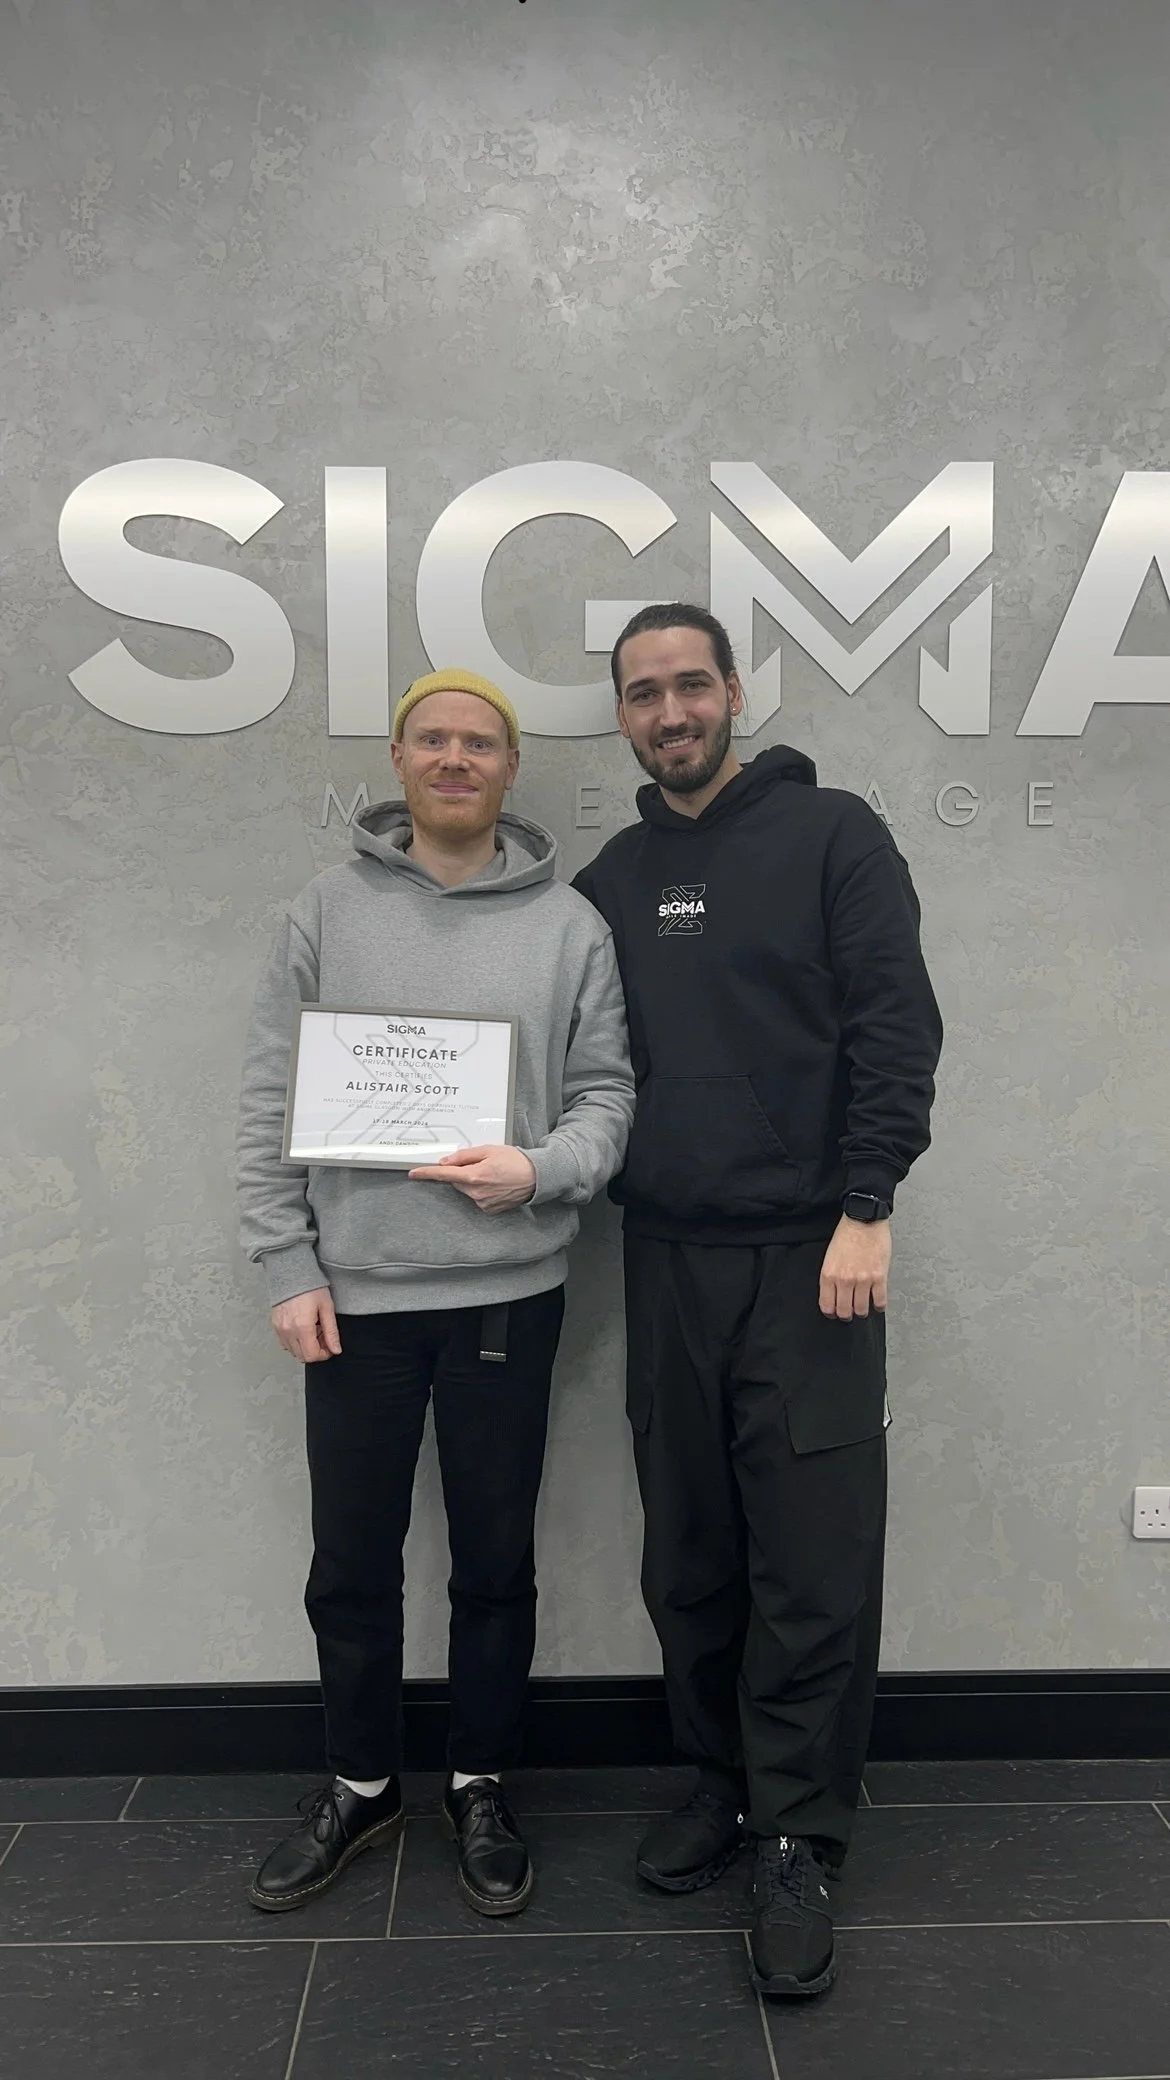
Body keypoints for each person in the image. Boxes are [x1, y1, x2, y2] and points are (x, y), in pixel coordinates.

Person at [573, 604, 942, 2001]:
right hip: (662, 1256)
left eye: (688, 685)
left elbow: (895, 1023)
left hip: (812, 1259)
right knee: (692, 1550)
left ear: (732, 691)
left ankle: (798, 1833)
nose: (668, 712)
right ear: (621, 716)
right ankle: (719, 1785)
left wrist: (866, 1205)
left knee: (811, 1556)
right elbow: (583, 1064)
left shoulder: (833, 834)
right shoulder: (610, 879)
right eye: (641, 694)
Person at [237, 667, 633, 1919]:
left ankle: (478, 1779)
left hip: (507, 1296)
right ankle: (361, 1782)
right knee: (348, 1562)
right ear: (399, 762)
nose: (455, 758)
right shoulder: (323, 908)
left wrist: (541, 1170)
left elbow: (608, 1096)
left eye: (480, 742)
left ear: (510, 769)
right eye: (433, 739)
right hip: (353, 1298)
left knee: (495, 1557)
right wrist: (287, 1261)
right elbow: (268, 1100)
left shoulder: (571, 925)